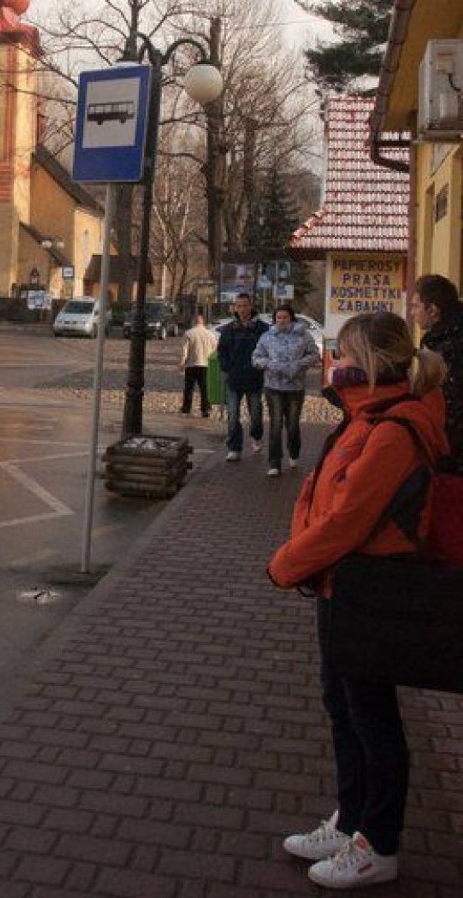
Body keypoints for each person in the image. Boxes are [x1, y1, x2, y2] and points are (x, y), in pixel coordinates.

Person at [267, 311, 448, 890]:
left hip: (367, 586)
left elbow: (350, 517)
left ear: (368, 363)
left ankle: (379, 842)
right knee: (342, 703)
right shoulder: (363, 415)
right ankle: (353, 819)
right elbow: (326, 497)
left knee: (370, 714)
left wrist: (288, 562)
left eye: (342, 354)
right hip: (338, 582)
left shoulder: (393, 428)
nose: (334, 363)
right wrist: (307, 556)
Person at [252, 303, 319, 476]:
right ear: (274, 319)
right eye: (278, 317)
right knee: (275, 425)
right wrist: (268, 364)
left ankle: (294, 452)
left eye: (285, 317)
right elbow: (256, 357)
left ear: (291, 318)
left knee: (293, 424)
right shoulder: (267, 337)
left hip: (295, 387)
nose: (282, 320)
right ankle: (274, 463)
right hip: (273, 386)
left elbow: (314, 354)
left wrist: (299, 365)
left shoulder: (303, 336)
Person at [410, 273, 463, 469]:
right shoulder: (444, 338)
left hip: (450, 452)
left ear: (432, 310)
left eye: (415, 306)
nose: (411, 313)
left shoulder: (441, 347)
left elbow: (445, 404)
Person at [216, 292, 267, 461]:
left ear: (251, 306)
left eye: (245, 305)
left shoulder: (262, 328)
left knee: (256, 413)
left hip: (254, 377)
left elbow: (268, 349)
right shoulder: (229, 329)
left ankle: (256, 436)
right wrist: (226, 367)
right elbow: (221, 351)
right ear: (234, 308)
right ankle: (234, 447)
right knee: (232, 415)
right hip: (234, 378)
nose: (242, 309)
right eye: (238, 306)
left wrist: (262, 367)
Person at [180, 313, 218, 417]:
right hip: (206, 364)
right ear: (203, 322)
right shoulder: (210, 334)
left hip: (191, 364)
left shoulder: (188, 333)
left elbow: (185, 350)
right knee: (205, 388)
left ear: (194, 322)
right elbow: (215, 349)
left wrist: (182, 364)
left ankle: (186, 409)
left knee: (188, 388)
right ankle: (205, 409)